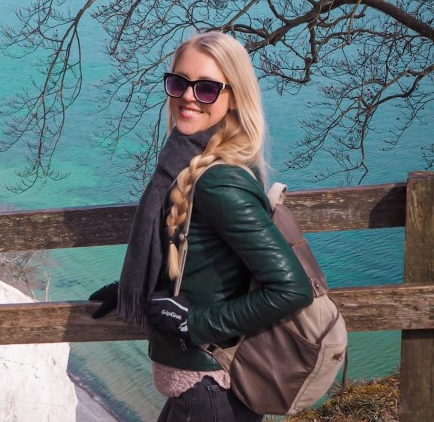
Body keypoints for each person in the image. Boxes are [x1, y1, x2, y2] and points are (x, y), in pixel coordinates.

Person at [89, 31, 314, 422]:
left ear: (234, 97)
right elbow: (201, 261)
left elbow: (292, 288)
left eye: (207, 88)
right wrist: (135, 289)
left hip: (211, 392)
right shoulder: (185, 164)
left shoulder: (217, 181)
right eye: (179, 82)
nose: (188, 96)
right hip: (197, 391)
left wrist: (195, 323)